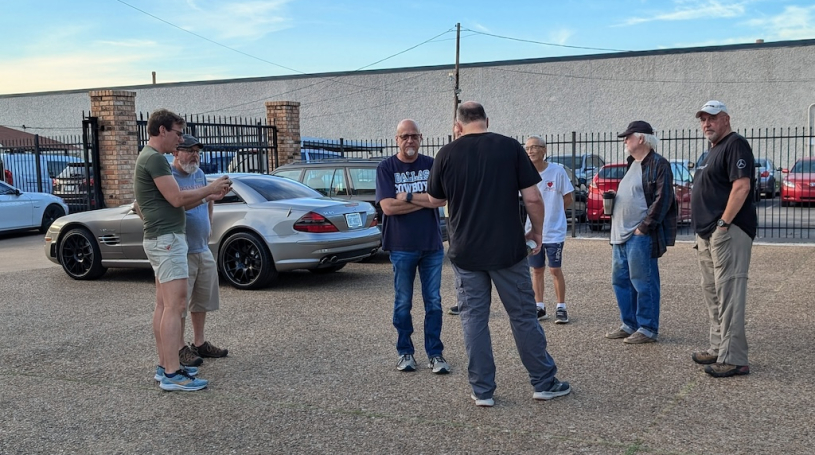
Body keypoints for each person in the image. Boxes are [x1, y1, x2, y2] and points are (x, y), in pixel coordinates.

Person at [427, 101, 570, 407]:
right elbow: (533, 198)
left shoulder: (446, 154)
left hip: (466, 251)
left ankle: (482, 391)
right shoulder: (510, 147)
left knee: (473, 320)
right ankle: (543, 382)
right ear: (487, 121)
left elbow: (436, 199)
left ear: (458, 125)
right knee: (523, 316)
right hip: (508, 250)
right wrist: (537, 232)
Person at [134, 109, 231, 392]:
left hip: (163, 238)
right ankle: (172, 373)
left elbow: (175, 202)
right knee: (175, 307)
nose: (179, 140)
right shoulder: (155, 159)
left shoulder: (149, 157)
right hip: (167, 240)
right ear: (162, 130)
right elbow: (176, 198)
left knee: (164, 306)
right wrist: (209, 188)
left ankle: (165, 366)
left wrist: (210, 194)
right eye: (177, 134)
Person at [375, 119, 449, 374]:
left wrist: (406, 196)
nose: (409, 140)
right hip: (401, 245)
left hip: (431, 246)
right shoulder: (386, 168)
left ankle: (435, 354)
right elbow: (387, 207)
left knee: (434, 302)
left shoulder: (431, 165)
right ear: (397, 139)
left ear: (421, 138)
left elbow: (440, 200)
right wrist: (425, 201)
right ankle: (405, 352)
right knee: (403, 302)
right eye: (405, 136)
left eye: (414, 136)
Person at [690, 100, 756, 378]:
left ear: (726, 119)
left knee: (730, 294)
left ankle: (734, 358)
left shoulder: (735, 144)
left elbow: (741, 186)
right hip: (707, 234)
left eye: (712, 118)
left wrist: (723, 224)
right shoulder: (711, 151)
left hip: (728, 232)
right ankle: (718, 347)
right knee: (713, 294)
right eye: (703, 119)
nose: (707, 124)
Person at [604, 121, 677, 345]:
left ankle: (647, 328)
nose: (625, 141)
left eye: (628, 137)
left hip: (639, 235)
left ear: (641, 138)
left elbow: (664, 198)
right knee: (621, 281)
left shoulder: (658, 164)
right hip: (620, 235)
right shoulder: (632, 163)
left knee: (643, 282)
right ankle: (630, 324)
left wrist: (643, 228)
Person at [172, 134, 229, 367]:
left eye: (197, 151)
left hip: (201, 246)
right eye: (189, 150)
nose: (194, 155)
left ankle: (199, 343)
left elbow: (208, 199)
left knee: (202, 299)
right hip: (181, 249)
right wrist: (207, 195)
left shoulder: (200, 174)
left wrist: (209, 222)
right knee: (179, 303)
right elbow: (177, 203)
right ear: (176, 152)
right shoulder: (169, 177)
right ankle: (178, 348)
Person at [523, 135, 574, 324]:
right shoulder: (524, 174)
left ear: (544, 150)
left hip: (554, 231)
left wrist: (555, 214)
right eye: (527, 148)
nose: (530, 151)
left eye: (534, 147)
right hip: (532, 230)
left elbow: (568, 197)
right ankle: (539, 306)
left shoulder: (557, 171)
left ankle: (561, 307)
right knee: (537, 269)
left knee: (555, 269)